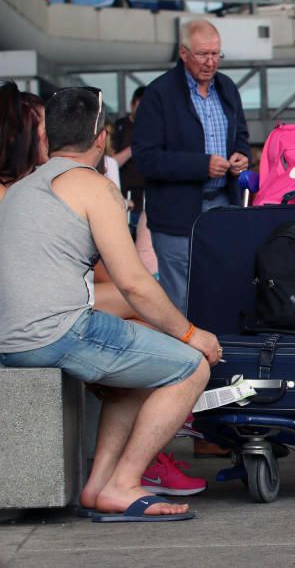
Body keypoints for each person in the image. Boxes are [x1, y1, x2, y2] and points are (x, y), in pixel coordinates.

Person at [0, 87, 221, 521]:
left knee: (135, 375)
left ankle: (99, 487)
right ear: (101, 139)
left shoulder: (24, 189)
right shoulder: (94, 187)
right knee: (191, 367)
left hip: (13, 335)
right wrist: (193, 336)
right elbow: (134, 283)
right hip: (57, 332)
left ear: (49, 137)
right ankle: (125, 483)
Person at [132, 19, 251, 317]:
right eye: (203, 55)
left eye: (216, 54)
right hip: (176, 217)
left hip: (223, 208)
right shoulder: (159, 94)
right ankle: (189, 363)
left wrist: (240, 156)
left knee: (224, 290)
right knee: (181, 303)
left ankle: (222, 357)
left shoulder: (226, 88)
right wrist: (202, 166)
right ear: (183, 53)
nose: (211, 62)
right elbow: (146, 158)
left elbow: (241, 136)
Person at [111, 86, 146, 229]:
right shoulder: (119, 128)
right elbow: (109, 163)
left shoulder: (155, 128)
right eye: (141, 106)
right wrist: (134, 148)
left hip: (147, 200)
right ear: (132, 104)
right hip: (124, 199)